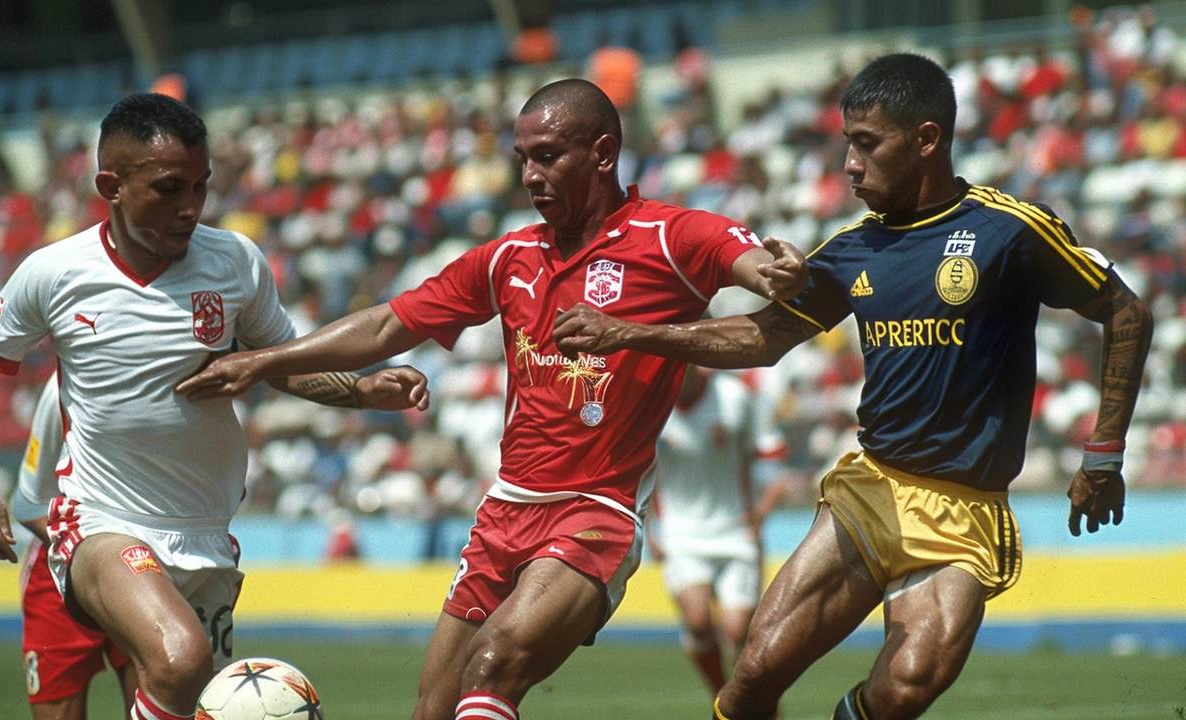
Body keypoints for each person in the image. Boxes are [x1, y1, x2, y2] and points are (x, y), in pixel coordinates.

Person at [174, 78, 809, 720]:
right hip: (504, 512)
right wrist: (265, 359)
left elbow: (755, 273)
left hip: (596, 511)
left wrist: (772, 272)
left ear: (604, 154)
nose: (531, 175)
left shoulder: (669, 238)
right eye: (522, 159)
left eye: (549, 156)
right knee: (434, 707)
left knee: (494, 661)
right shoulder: (509, 257)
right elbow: (390, 325)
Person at [552, 53, 1153, 720]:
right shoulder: (851, 251)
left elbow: (1126, 311)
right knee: (754, 671)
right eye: (847, 145)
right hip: (871, 493)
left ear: (926, 139)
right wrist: (632, 332)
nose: (850, 166)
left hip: (964, 511)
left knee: (906, 688)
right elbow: (763, 336)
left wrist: (1104, 453)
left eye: (867, 144)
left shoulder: (1009, 230)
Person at [0, 92, 430, 720]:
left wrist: (360, 390)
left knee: (188, 694)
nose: (190, 208)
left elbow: (278, 361)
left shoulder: (234, 263)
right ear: (110, 186)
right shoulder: (56, 272)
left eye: (200, 187)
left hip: (206, 535)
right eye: (170, 188)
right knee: (179, 658)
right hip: (101, 518)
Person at [651, 364, 785, 697]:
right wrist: (650, 527)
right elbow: (640, 468)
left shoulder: (734, 395)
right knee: (697, 622)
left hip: (735, 530)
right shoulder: (651, 402)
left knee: (738, 631)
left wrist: (762, 511)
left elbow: (770, 454)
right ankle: (722, 698)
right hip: (680, 533)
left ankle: (755, 703)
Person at [14, 376, 139, 719]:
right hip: (59, 569)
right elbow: (28, 503)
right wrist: (90, 555)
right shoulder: (64, 382)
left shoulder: (178, 371)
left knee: (160, 703)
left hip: (148, 561)